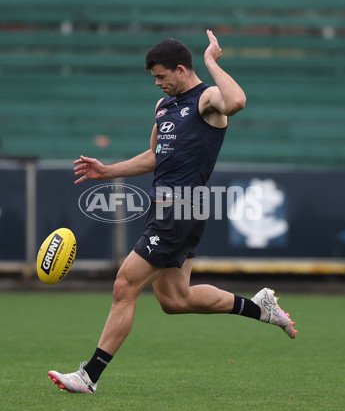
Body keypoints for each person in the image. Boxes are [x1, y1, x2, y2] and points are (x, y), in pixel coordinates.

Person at [48, 30, 297, 394]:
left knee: (124, 284)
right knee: (174, 300)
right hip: (168, 207)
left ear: (181, 70)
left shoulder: (206, 100)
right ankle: (260, 307)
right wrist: (107, 170)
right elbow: (154, 156)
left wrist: (211, 61)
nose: (158, 84)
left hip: (183, 207)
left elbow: (238, 100)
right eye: (155, 78)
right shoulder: (163, 108)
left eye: (162, 76)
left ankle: (90, 376)